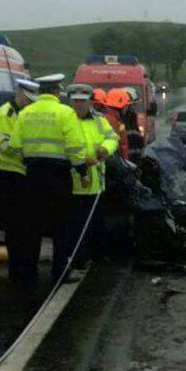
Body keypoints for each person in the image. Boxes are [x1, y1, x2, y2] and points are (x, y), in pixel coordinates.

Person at [10, 74, 88, 281]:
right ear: (56, 92)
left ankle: (29, 272)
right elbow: (75, 147)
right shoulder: (65, 112)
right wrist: (82, 172)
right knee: (61, 226)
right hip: (59, 177)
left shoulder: (25, 113)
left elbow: (15, 146)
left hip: (33, 176)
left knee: (32, 225)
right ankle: (59, 272)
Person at [66, 84, 119, 269]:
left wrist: (105, 149)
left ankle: (98, 255)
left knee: (97, 221)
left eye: (83, 100)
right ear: (70, 101)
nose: (80, 104)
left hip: (97, 181)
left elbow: (113, 138)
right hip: (74, 181)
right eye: (76, 101)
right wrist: (82, 159)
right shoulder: (66, 119)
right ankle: (79, 258)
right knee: (77, 224)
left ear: (90, 101)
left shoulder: (99, 120)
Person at [0, 78, 38, 279]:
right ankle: (16, 266)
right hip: (10, 174)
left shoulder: (25, 113)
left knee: (28, 224)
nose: (30, 102)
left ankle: (26, 265)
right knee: (15, 226)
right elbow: (5, 147)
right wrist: (30, 152)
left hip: (24, 174)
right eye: (28, 98)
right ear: (19, 94)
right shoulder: (6, 114)